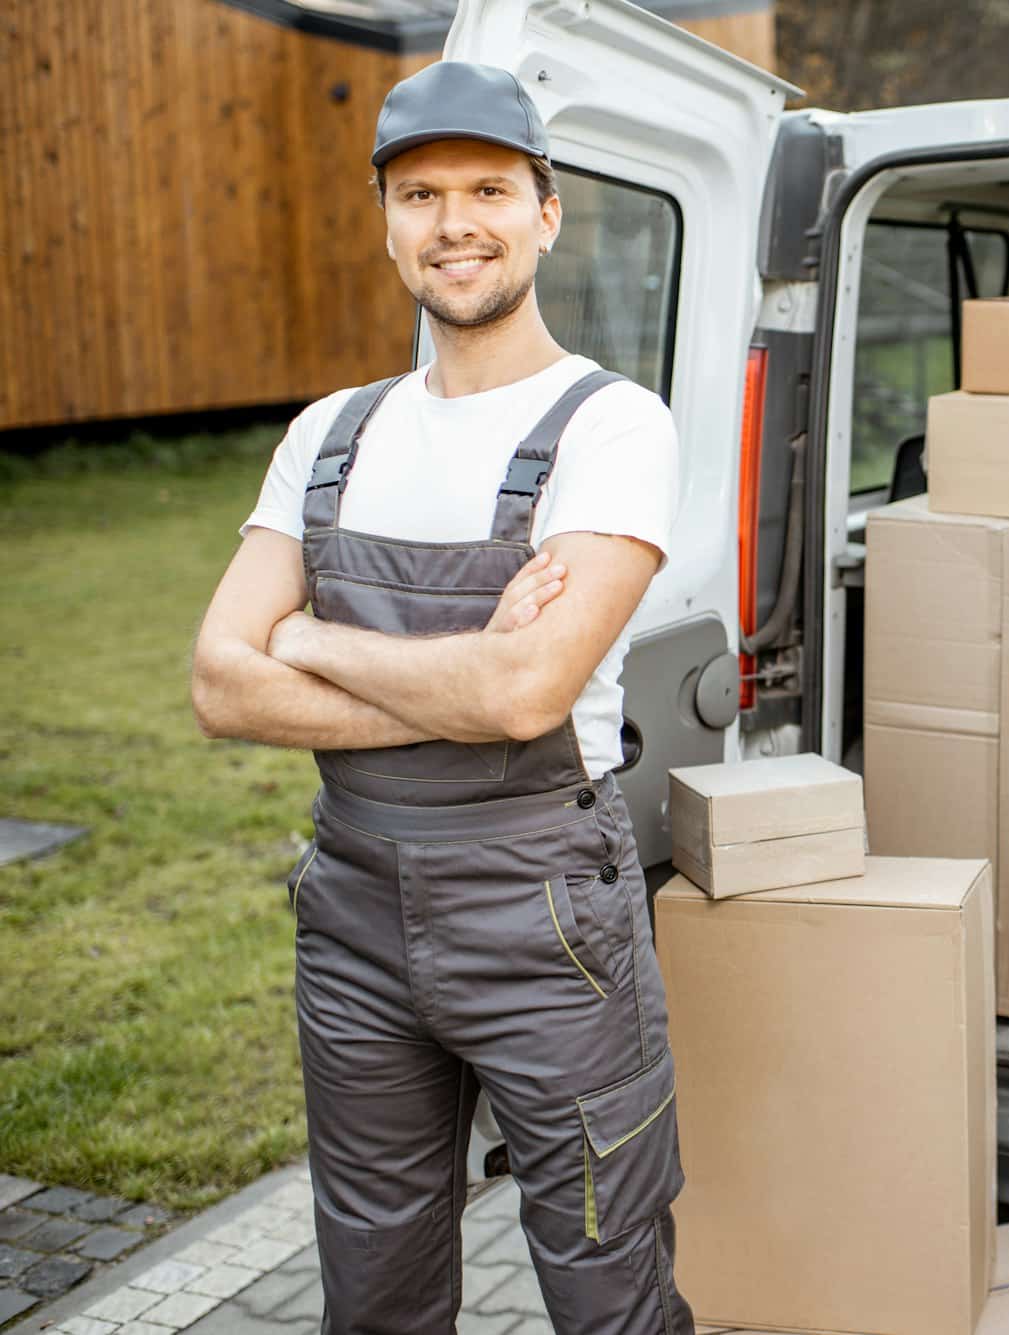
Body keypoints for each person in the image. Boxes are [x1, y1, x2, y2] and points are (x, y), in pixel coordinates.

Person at [190, 60, 694, 1335]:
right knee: (372, 1279)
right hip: (352, 906)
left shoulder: (612, 427)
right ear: (384, 215)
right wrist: (463, 683)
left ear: (546, 210)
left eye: (486, 188)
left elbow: (528, 692)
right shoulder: (329, 434)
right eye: (419, 193)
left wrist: (307, 635)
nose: (452, 221)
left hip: (544, 918)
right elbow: (219, 684)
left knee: (600, 1266)